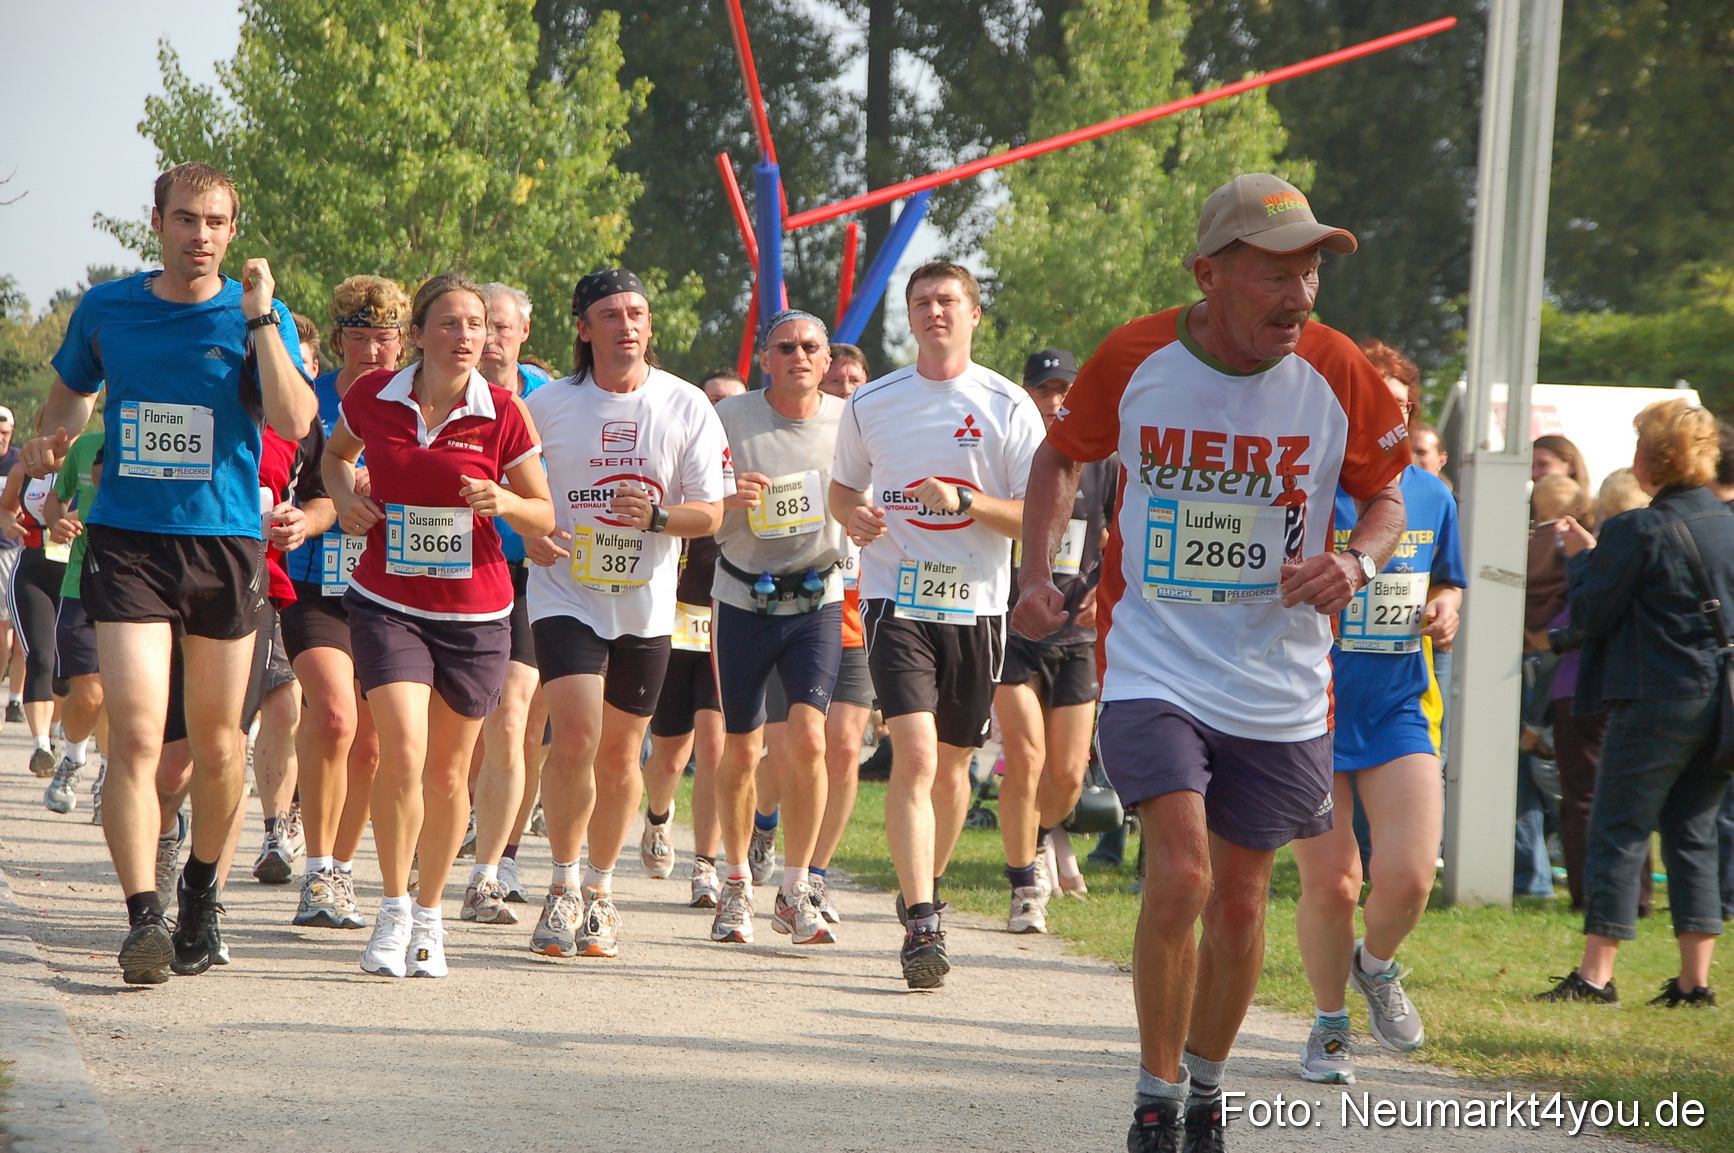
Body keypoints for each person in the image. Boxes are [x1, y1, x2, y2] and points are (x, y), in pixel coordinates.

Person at [1015, 174, 1409, 1149]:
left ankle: (1205, 1085)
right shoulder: (1135, 354)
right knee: (1182, 873)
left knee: (1240, 900)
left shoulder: (1338, 369)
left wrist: (1355, 559)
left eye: (1311, 269)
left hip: (1279, 677)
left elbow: (1390, 497)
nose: (1301, 295)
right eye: (1275, 272)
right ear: (1210, 272)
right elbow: (1059, 457)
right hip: (1155, 658)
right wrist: (1035, 571)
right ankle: (1153, 1096)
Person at [27, 162, 317, 984]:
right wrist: (52, 447)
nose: (199, 235)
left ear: (234, 229)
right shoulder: (108, 308)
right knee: (138, 735)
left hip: (224, 545)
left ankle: (199, 890)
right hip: (128, 541)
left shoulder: (261, 315)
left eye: (215, 222)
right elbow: (70, 398)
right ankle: (143, 916)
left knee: (223, 744)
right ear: (155, 221)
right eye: (185, 219)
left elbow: (296, 419)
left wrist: (260, 319)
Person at [324, 272, 552, 978]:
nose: (466, 337)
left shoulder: (505, 411)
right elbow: (335, 457)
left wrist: (504, 500)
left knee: (451, 773)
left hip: (477, 613)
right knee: (402, 750)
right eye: (449, 323)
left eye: (476, 325)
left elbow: (545, 513)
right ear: (417, 333)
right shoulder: (371, 395)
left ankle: (430, 915)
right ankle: (392, 910)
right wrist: (346, 500)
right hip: (388, 600)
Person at [830, 261, 1044, 988]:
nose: (934, 312)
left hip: (978, 605)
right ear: (910, 316)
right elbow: (841, 488)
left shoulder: (1009, 405)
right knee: (916, 756)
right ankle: (924, 918)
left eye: (948, 300)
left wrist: (966, 501)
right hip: (896, 598)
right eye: (921, 301)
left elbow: (1033, 514)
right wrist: (851, 514)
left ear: (974, 314)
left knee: (954, 767)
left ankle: (921, 880)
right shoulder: (873, 401)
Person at [523, 269, 726, 959]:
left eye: (637, 312)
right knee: (575, 737)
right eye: (610, 314)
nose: (627, 325)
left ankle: (602, 892)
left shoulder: (687, 403)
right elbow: (512, 488)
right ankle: (561, 884)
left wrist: (663, 515)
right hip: (565, 590)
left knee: (619, 754)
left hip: (645, 600)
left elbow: (712, 510)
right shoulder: (546, 405)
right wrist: (532, 532)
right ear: (584, 329)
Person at [1291, 362, 1465, 1086]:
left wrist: (1450, 606)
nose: (1381, 422)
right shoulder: (1306, 483)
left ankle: (1376, 964)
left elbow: (1447, 575)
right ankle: (1330, 1023)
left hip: (1399, 703)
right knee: (1333, 884)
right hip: (1310, 702)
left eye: (1395, 410)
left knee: (1412, 875)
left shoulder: (1432, 495)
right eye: (1368, 407)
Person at [1537, 398, 1731, 1008]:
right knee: (1694, 832)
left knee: (1618, 829)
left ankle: (1596, 977)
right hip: (1721, 702)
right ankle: (1694, 982)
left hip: (1654, 698)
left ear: (1651, 458)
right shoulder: (1728, 525)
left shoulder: (1635, 528)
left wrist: (1583, 559)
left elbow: (1594, 611)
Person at [706, 309, 849, 946]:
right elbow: (693, 498)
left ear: (827, 360)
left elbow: (877, 490)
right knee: (742, 748)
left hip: (817, 597)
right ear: (765, 360)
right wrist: (725, 493)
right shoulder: (729, 419)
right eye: (784, 347)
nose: (798, 356)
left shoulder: (852, 421)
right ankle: (736, 885)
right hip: (741, 597)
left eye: (810, 347)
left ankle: (797, 888)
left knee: (811, 742)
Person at [280, 275, 407, 930]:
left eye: (385, 338)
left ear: (404, 341)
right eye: (359, 337)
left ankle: (343, 872)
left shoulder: (421, 403)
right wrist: (315, 509)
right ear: (338, 340)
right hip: (315, 582)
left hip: (392, 585)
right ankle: (317, 870)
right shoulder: (307, 402)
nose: (372, 351)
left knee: (372, 743)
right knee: (333, 716)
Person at [994, 348, 1115, 934]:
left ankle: (1039, 835)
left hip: (1076, 630)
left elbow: (1123, 530)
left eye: (1065, 390)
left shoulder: (1103, 459)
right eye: (1044, 390)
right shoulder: (1006, 455)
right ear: (1026, 395)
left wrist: (1105, 587)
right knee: (1027, 758)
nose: (1054, 401)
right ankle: (1023, 887)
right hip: (1010, 626)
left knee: (1067, 774)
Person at [460, 281, 553, 925]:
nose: (491, 338)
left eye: (503, 327)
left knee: (512, 718)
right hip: (447, 574)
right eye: (481, 325)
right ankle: (442, 828)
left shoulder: (553, 400)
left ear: (524, 332)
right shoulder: (437, 388)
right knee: (458, 727)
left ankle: (493, 869)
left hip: (523, 577)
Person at [1550, 469, 1652, 914]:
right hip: (1643, 687)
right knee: (1634, 796)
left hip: (1584, 686)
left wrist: (1581, 560)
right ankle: (1638, 896)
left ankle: (1591, 895)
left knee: (1584, 797)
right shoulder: (1661, 546)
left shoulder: (1608, 551)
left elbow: (1588, 616)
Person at [43, 433, 107, 823]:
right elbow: (56, 501)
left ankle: (110, 782)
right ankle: (74, 760)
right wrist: (57, 523)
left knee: (123, 698)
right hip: (80, 584)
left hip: (136, 587)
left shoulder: (157, 446)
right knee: (90, 693)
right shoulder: (85, 447)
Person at [2, 456, 70, 793]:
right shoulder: (23, 469)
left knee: (67, 669)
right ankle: (41, 746)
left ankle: (58, 735)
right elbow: (5, 508)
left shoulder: (89, 461)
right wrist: (7, 522)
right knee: (41, 658)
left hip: (74, 573)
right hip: (32, 570)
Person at [0, 405, 22, 724]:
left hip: (15, 551)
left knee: (20, 631)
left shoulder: (20, 460)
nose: (0, 439)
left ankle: (16, 699)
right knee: (2, 628)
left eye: (5, 433)